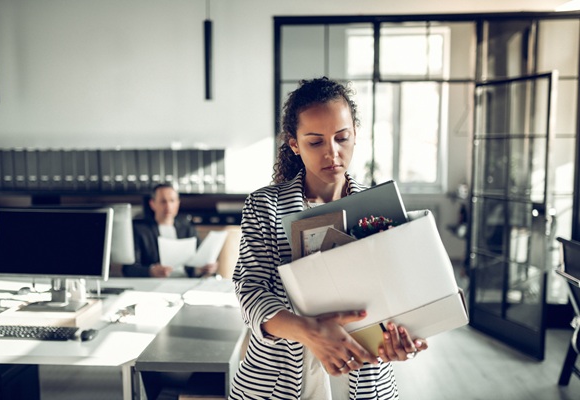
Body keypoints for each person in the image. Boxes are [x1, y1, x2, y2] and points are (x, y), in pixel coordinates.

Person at [230, 77, 428, 399]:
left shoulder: (381, 206)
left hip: (366, 380)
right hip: (277, 381)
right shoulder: (264, 205)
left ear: (354, 135)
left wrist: (399, 337)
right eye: (315, 142)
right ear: (294, 143)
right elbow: (250, 290)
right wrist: (308, 332)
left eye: (342, 138)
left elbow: (396, 295)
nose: (332, 153)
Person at [120, 183, 219, 278]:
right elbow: (128, 269)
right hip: (155, 284)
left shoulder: (188, 229)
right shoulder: (140, 230)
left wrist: (208, 267)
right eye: (163, 201)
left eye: (172, 201)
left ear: (178, 203)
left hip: (186, 282)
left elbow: (199, 263)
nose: (168, 206)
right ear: (152, 204)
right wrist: (150, 271)